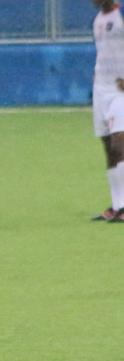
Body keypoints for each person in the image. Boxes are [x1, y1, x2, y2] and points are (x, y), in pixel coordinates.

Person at [91, 0, 124, 222]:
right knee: (108, 148)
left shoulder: (121, 17)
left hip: (119, 89)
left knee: (119, 142)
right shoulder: (98, 20)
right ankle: (117, 205)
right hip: (100, 89)